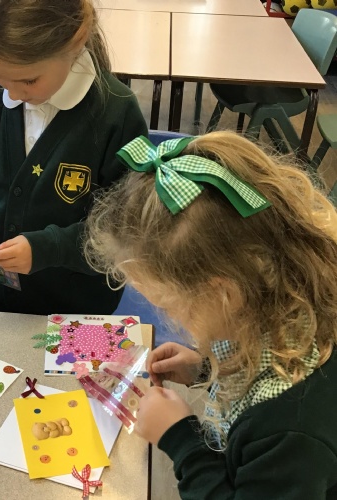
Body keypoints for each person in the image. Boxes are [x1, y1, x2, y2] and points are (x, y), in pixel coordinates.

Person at [84, 131, 337, 498]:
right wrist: (207, 368)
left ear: (224, 295)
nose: (167, 316)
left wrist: (180, 440)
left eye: (167, 304)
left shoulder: (289, 433)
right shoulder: (291, 295)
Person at [0, 0, 148, 315]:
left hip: (79, 310)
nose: (13, 94)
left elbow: (124, 229)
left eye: (28, 81)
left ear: (76, 40)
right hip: (3, 300)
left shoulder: (116, 114)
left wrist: (48, 249)